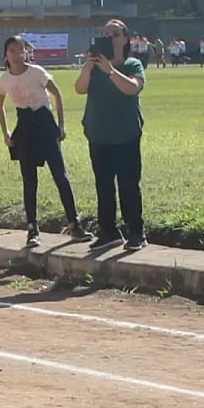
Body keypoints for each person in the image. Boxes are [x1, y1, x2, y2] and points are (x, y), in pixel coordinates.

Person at [0, 34, 88, 248]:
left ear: (26, 52)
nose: (16, 55)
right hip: (25, 125)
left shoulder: (37, 72)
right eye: (12, 51)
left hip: (45, 123)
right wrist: (6, 133)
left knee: (60, 175)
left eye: (20, 50)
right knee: (29, 180)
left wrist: (61, 125)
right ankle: (32, 229)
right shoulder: (4, 79)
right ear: (5, 54)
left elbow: (57, 94)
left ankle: (75, 224)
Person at [76, 18, 148, 252]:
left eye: (115, 34)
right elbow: (80, 88)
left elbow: (132, 88)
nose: (110, 38)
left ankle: (136, 232)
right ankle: (108, 232)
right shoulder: (94, 66)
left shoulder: (132, 64)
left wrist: (110, 70)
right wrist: (89, 66)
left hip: (126, 133)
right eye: (106, 34)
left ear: (126, 38)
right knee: (103, 186)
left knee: (128, 185)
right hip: (98, 133)